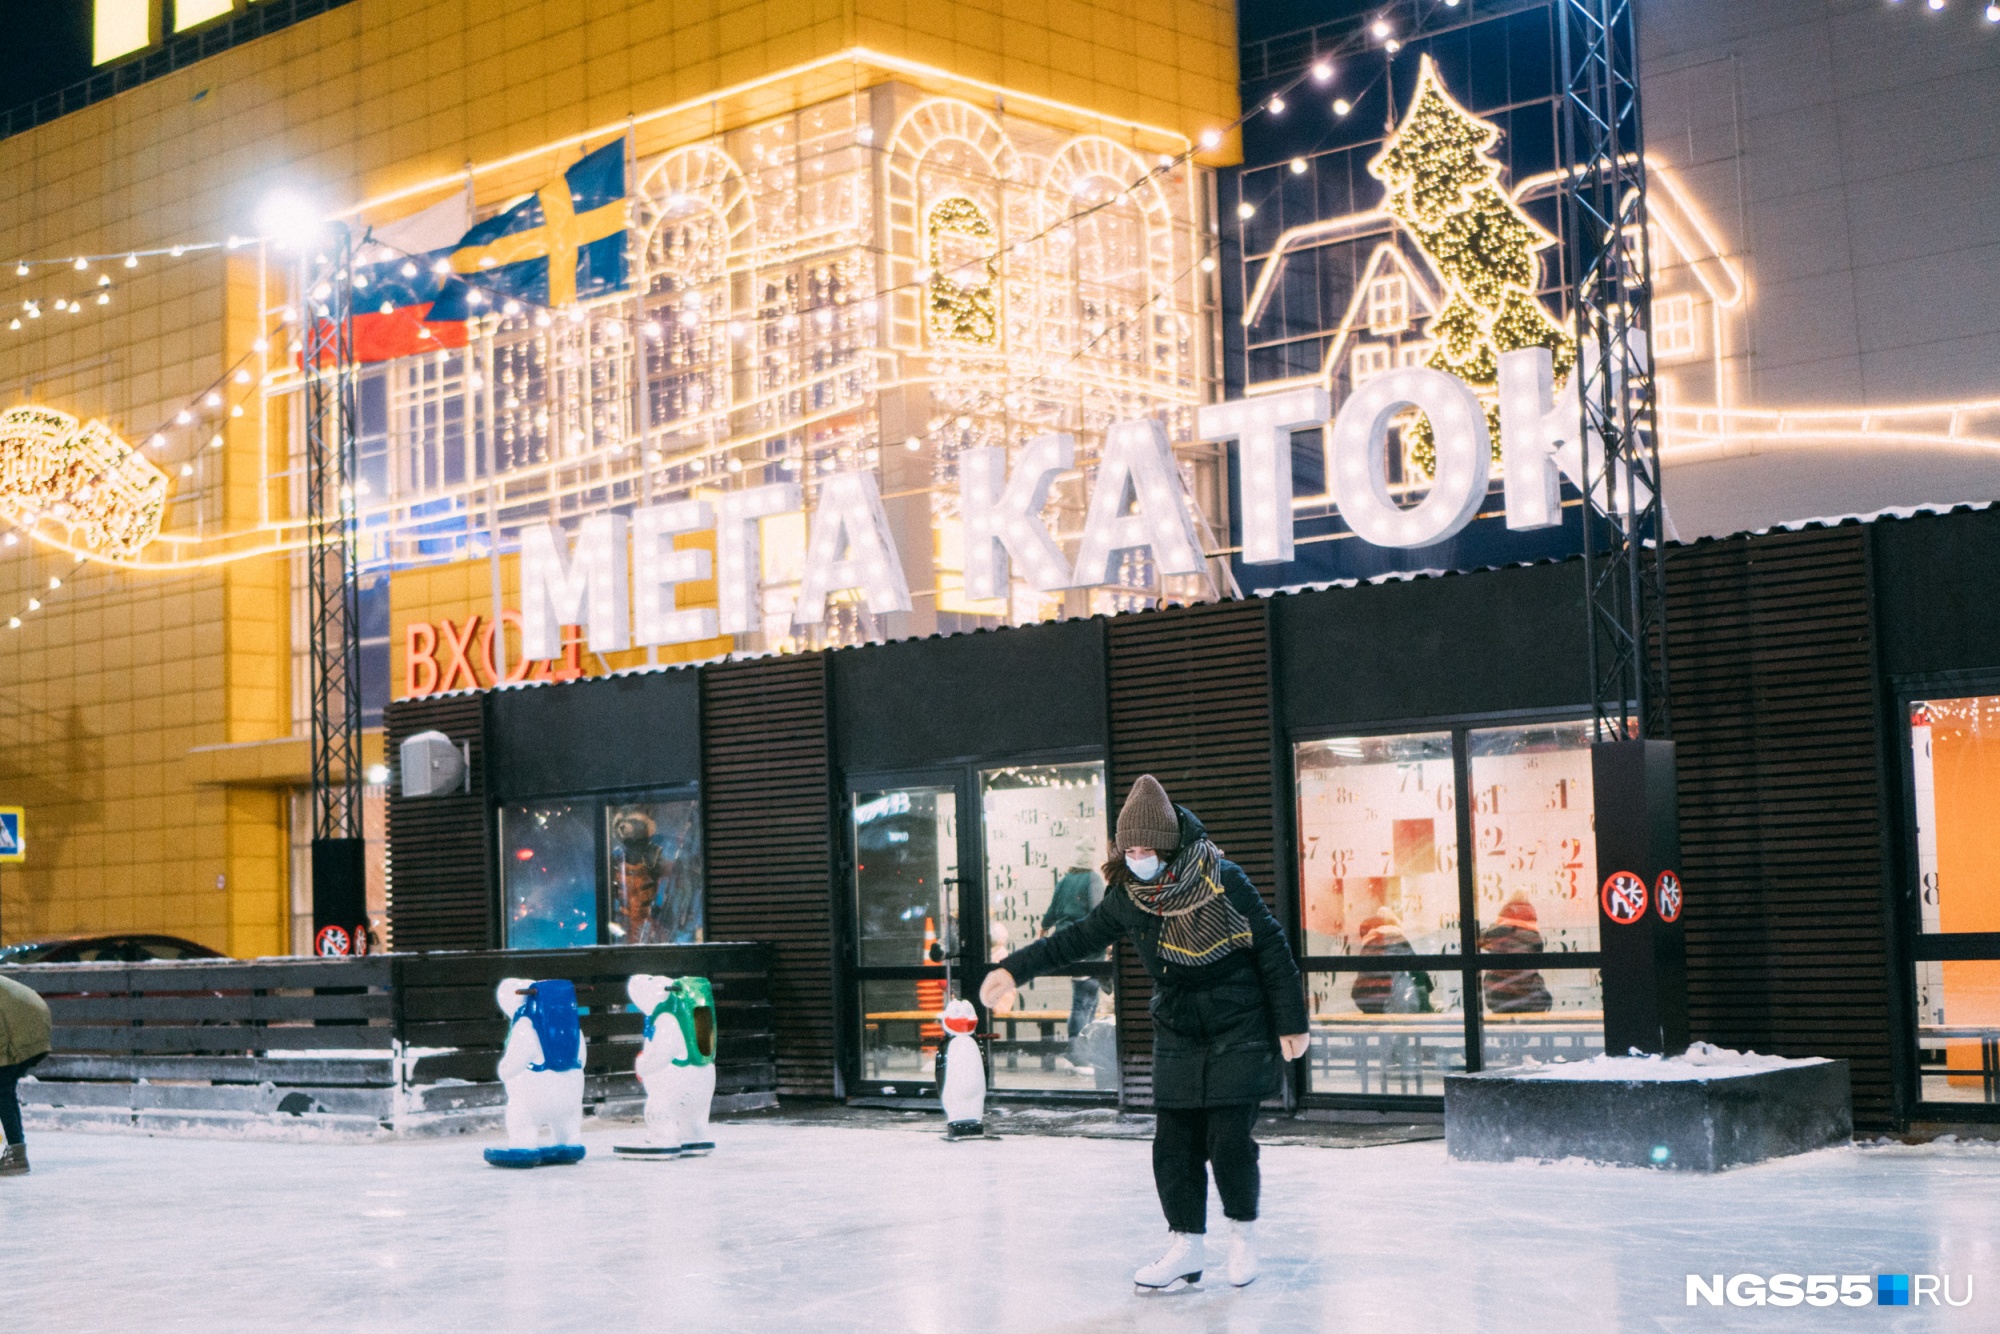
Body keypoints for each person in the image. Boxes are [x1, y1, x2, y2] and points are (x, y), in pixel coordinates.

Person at [981, 775, 1309, 1292]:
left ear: (1169, 844)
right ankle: (1186, 1246)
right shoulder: (1129, 896)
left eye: (1146, 847)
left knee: (1228, 1140)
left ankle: (1242, 1236)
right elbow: (1076, 939)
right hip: (1178, 1026)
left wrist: (1291, 1021)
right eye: (1128, 847)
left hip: (1239, 1020)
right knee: (1173, 1143)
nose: (1137, 856)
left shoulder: (1222, 878)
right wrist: (1013, 969)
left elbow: (1270, 946)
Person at [1040, 857, 1105, 1066]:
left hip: (1067, 942)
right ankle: (1078, 1052)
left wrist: (1044, 927)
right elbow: (1098, 910)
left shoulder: (1065, 880)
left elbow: (1052, 908)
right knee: (1085, 1001)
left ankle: (1082, 1050)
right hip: (1087, 943)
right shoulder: (1092, 879)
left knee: (1083, 998)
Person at [0, 972, 52, 1176]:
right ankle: (16, 1153)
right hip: (23, 1022)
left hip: (22, 1028)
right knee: (3, 1090)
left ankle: (17, 1156)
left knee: (2, 1090)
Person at [1478, 894, 1553, 1013]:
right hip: (1531, 1000)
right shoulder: (1535, 938)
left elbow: (1477, 937)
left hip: (1499, 999)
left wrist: (1493, 928)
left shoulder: (1497, 934)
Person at [1350, 908, 1433, 1015]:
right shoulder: (1401, 940)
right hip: (1414, 1002)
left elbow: (1363, 984)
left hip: (1383, 1005)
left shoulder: (1370, 945)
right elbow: (1423, 978)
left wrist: (1356, 995)